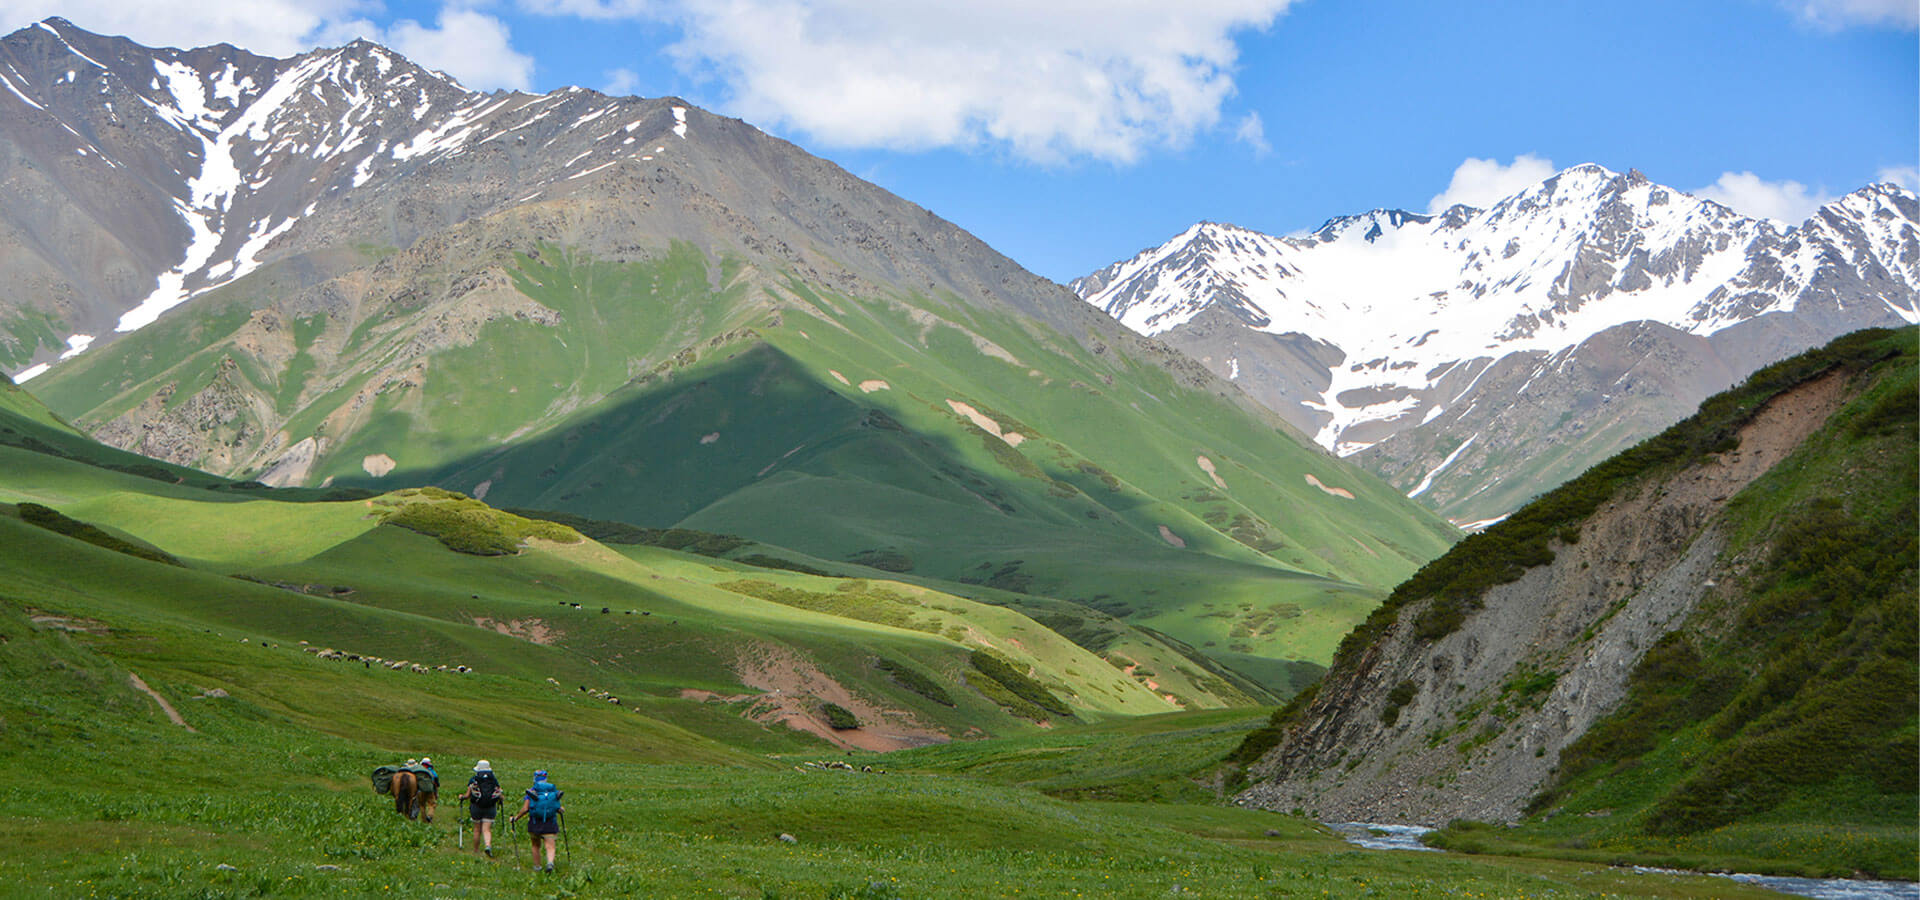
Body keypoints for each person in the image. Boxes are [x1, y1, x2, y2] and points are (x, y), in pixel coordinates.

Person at [511, 770, 563, 872]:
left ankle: (537, 867)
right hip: (550, 822)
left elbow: (525, 809)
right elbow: (558, 807)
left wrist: (516, 818)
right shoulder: (552, 791)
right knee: (550, 845)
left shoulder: (532, 791)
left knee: (535, 845)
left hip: (535, 822)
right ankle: (550, 863)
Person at [463, 760, 504, 856]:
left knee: (477, 829)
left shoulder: (474, 779)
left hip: (476, 807)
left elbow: (468, 794)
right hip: (490, 807)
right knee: (486, 829)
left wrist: (462, 797)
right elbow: (499, 793)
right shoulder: (493, 780)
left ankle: (476, 850)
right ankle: (488, 845)